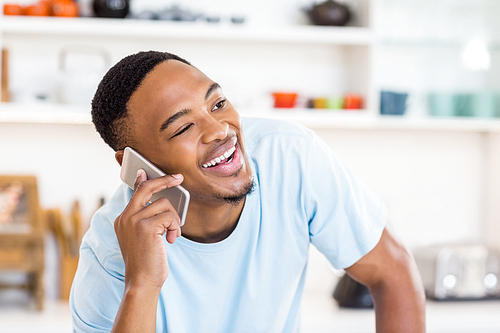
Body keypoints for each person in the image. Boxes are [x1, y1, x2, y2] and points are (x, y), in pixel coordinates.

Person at [70, 51, 425, 332]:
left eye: (218, 104)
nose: (219, 130)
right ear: (136, 164)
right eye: (182, 128)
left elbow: (391, 271)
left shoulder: (289, 157)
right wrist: (142, 283)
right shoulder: (109, 254)